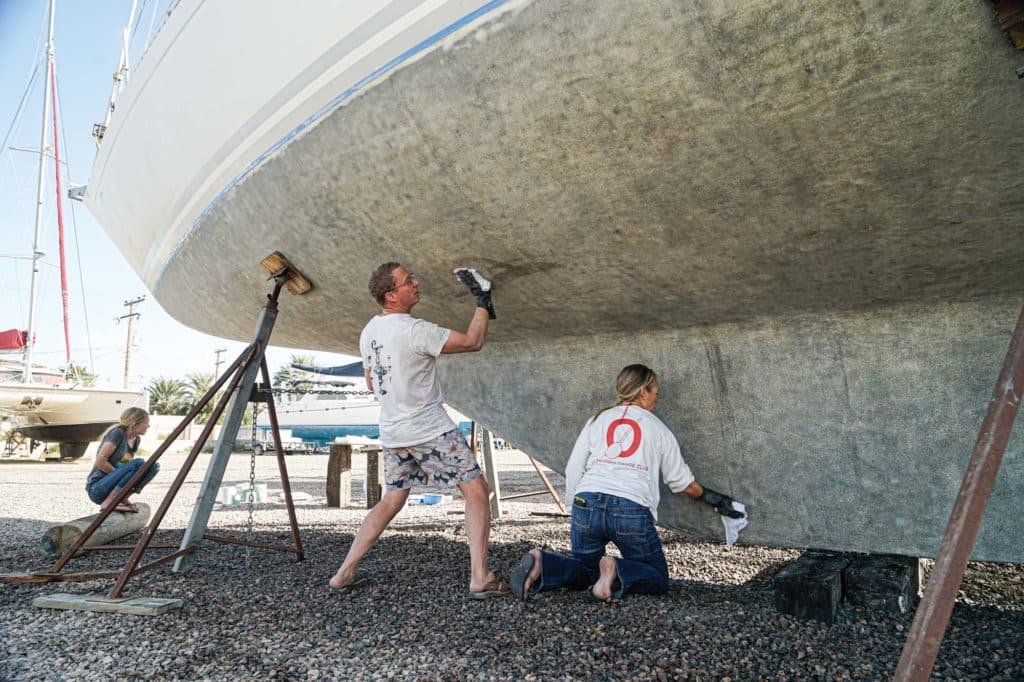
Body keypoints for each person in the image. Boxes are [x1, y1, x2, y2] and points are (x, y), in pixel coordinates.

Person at [329, 262, 509, 598]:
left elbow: (372, 380)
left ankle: (343, 573)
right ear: (391, 295)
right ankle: (480, 577)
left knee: (392, 500)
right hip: (429, 428)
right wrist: (482, 300)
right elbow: (473, 341)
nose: (416, 283)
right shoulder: (415, 330)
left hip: (393, 432)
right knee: (476, 491)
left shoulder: (369, 331)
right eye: (408, 281)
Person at [509, 364, 745, 602]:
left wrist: (575, 507)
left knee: (586, 570)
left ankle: (542, 562)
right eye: (656, 393)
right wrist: (715, 499)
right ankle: (614, 569)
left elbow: (574, 467)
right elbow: (681, 481)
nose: (656, 399)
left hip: (586, 502)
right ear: (643, 391)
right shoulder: (658, 429)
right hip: (630, 508)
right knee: (657, 577)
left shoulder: (597, 419)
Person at [85, 407, 159, 513]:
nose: (148, 426)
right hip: (98, 488)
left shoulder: (136, 440)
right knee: (138, 463)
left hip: (113, 487)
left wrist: (122, 473)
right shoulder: (117, 434)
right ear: (135, 424)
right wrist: (119, 474)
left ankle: (122, 497)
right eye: (146, 423)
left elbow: (122, 465)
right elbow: (100, 462)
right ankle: (109, 502)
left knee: (153, 466)